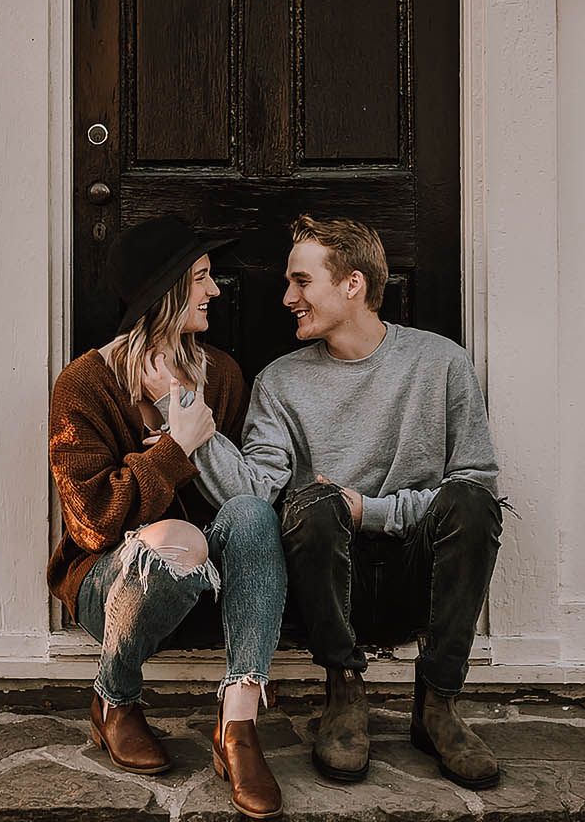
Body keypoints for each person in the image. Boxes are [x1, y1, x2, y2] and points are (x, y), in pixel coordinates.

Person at [189, 214, 504, 790]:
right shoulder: (280, 382)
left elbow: (476, 482)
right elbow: (258, 493)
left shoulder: (442, 363)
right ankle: (344, 693)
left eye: (301, 282)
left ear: (352, 285)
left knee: (474, 503)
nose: (288, 298)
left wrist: (374, 511)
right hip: (328, 588)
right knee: (313, 503)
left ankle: (437, 706)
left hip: (419, 576)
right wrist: (196, 433)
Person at [46, 214, 286, 819]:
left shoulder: (223, 375)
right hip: (110, 585)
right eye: (202, 277)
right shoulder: (84, 384)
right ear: (167, 290)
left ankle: (238, 727)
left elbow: (231, 505)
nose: (214, 290)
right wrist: (172, 449)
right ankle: (116, 698)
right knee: (176, 539)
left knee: (253, 513)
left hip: (205, 580)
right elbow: (93, 523)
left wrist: (183, 414)